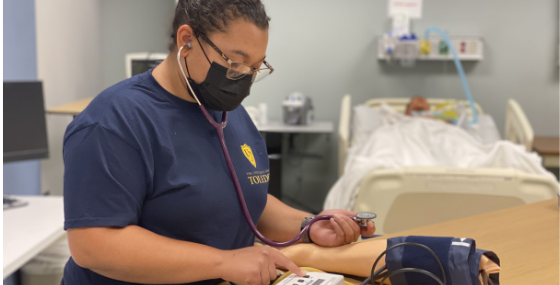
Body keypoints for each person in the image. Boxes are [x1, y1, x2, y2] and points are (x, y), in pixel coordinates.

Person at [61, 1, 375, 285]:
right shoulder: (113, 121)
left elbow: (243, 199)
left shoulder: (225, 112)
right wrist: (224, 262)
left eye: (256, 67)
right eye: (235, 63)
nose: (245, 79)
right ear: (187, 40)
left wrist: (308, 226)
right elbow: (93, 244)